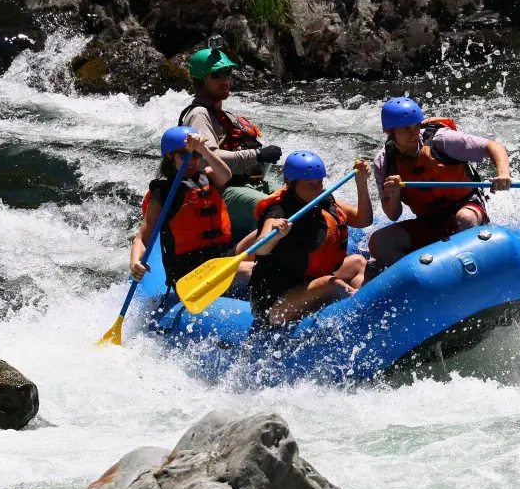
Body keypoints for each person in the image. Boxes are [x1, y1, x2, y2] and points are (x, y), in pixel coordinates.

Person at [368, 97, 512, 266]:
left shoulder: (441, 139)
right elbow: (393, 215)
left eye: (416, 125)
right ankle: (419, 277)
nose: (413, 133)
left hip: (465, 207)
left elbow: (493, 146)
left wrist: (503, 173)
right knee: (379, 243)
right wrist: (394, 195)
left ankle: (468, 267)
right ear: (388, 130)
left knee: (465, 219)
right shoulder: (384, 162)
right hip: (429, 221)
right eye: (406, 128)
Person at [248, 151, 373, 327]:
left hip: (308, 280)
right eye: (310, 184)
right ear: (291, 184)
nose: (317, 189)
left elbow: (363, 220)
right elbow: (259, 248)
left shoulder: (323, 199)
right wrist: (275, 236)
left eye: (319, 182)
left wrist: (362, 183)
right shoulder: (278, 210)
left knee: (359, 262)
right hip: (275, 304)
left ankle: (362, 313)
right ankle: (365, 308)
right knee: (332, 284)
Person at [179, 42, 283, 240]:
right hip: (218, 191)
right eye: (218, 75)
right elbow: (209, 158)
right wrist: (257, 155)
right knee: (275, 208)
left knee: (296, 198)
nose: (226, 80)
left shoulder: (222, 114)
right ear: (201, 80)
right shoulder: (199, 114)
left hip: (243, 184)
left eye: (227, 73)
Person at [130, 126, 254, 291]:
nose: (192, 160)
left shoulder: (207, 176)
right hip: (190, 272)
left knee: (259, 236)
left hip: (219, 258)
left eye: (196, 155)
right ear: (170, 156)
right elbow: (142, 238)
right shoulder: (163, 193)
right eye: (185, 155)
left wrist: (203, 148)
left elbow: (226, 175)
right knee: (253, 270)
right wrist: (135, 262)